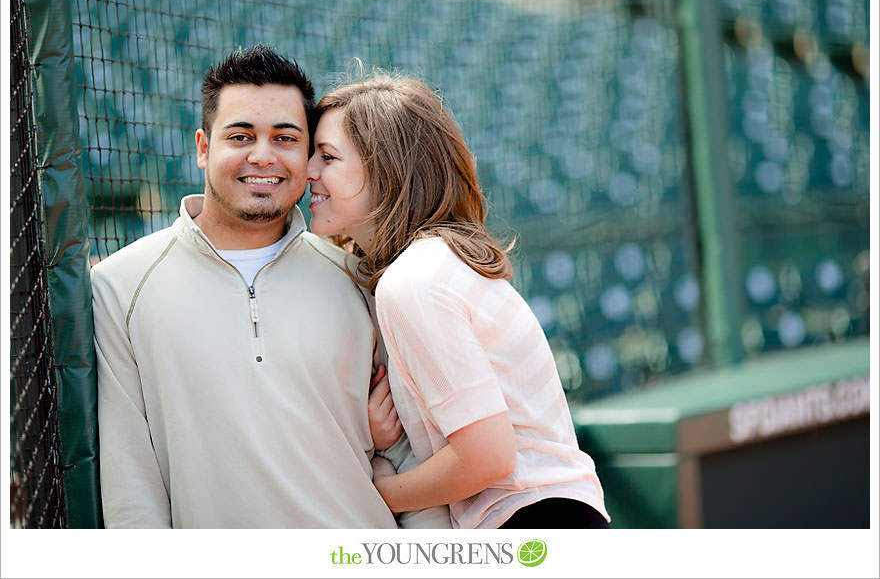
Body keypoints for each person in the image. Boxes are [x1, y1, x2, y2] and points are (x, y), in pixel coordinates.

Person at [92, 45, 448, 528]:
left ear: (308, 155)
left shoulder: (362, 279)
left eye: (285, 138)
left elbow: (414, 457)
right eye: (240, 136)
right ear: (202, 147)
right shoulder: (118, 287)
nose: (262, 155)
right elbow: (130, 484)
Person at [306, 71, 611, 529]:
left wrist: (378, 494)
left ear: (387, 169)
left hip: (532, 520)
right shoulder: (432, 265)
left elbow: (486, 457)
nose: (309, 170)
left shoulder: (414, 280)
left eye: (327, 156)